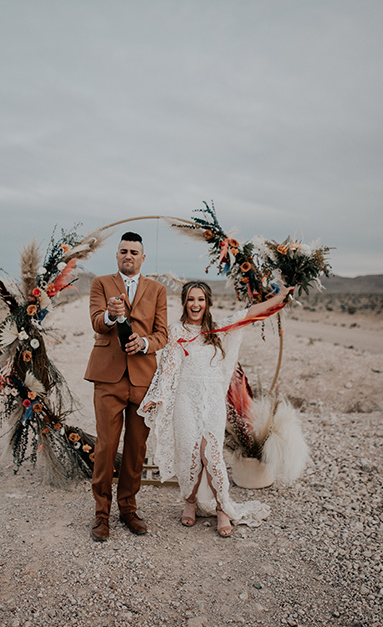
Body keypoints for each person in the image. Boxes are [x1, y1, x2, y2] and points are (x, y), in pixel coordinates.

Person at [139, 280, 293, 537]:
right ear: (184, 302)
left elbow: (251, 313)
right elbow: (167, 368)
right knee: (189, 452)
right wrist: (158, 396)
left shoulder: (220, 329)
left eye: (200, 299)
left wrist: (283, 296)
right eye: (191, 299)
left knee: (211, 454)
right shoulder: (176, 331)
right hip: (185, 401)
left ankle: (222, 507)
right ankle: (190, 502)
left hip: (211, 402)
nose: (195, 304)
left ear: (208, 302)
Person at [84, 231, 168, 542]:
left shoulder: (158, 290)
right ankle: (101, 514)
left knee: (136, 449)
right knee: (106, 447)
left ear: (143, 258)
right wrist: (109, 314)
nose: (128, 256)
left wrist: (145, 343)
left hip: (143, 378)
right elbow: (95, 321)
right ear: (117, 256)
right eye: (123, 251)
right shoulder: (101, 283)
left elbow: (162, 335)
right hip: (108, 377)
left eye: (134, 252)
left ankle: (128, 508)